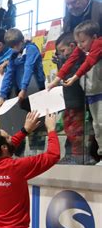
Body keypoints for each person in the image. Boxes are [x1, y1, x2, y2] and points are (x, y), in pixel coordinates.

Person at [49, 21, 102, 165]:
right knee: (97, 126)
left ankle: (89, 155)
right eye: (78, 42)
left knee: (95, 125)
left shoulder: (97, 45)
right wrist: (56, 80)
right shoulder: (81, 50)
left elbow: (89, 63)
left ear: (94, 37)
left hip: (94, 95)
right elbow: (70, 63)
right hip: (91, 95)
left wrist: (74, 77)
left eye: (83, 41)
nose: (80, 45)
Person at [46, 32, 86, 163]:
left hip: (77, 102)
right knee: (69, 129)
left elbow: (73, 75)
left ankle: (78, 156)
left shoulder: (80, 59)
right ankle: (70, 155)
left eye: (63, 50)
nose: (62, 54)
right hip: (67, 102)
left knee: (77, 132)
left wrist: (63, 62)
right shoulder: (65, 61)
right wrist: (60, 63)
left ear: (72, 46)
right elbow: (63, 76)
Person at [0, 28, 45, 136]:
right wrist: (2, 96)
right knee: (28, 123)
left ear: (22, 40)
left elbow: (29, 68)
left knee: (38, 122)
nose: (15, 48)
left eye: (17, 45)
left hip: (34, 89)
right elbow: (8, 75)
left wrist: (24, 88)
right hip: (22, 94)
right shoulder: (13, 55)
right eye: (12, 47)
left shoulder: (31, 49)